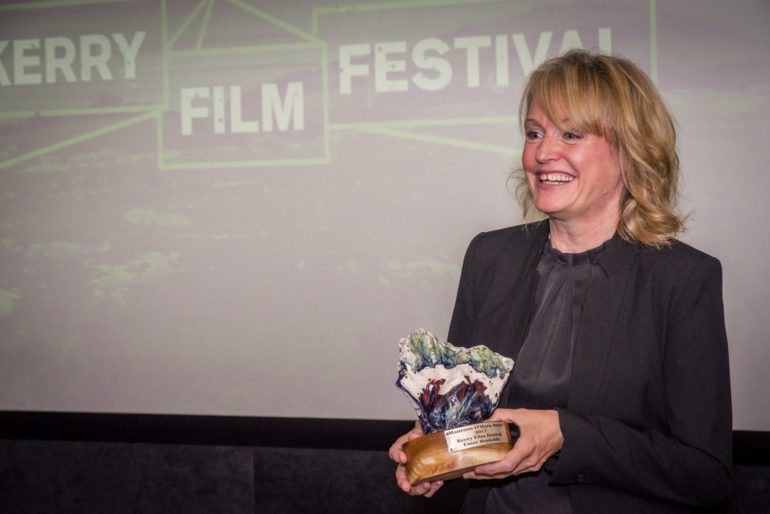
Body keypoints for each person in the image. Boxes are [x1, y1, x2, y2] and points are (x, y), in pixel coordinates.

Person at [388, 49, 732, 513]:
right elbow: (465, 416)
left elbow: (706, 475)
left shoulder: (683, 278)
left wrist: (564, 434)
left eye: (571, 133)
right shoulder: (490, 256)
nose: (543, 152)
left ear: (630, 150)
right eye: (534, 133)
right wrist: (436, 452)